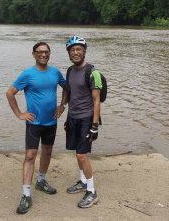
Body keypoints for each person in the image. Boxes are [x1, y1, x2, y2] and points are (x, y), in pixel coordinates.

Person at [6, 42, 66, 214]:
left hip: (51, 122)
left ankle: (41, 181)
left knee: (47, 151)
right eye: (40, 52)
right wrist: (19, 114)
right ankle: (26, 195)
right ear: (33, 54)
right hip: (33, 123)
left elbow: (66, 87)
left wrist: (62, 105)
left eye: (46, 52)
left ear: (50, 54)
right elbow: (10, 93)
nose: (44, 54)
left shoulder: (55, 72)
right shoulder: (27, 75)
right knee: (30, 156)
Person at [62, 35, 101, 208]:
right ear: (69, 53)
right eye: (72, 50)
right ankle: (83, 181)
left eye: (78, 49)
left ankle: (92, 192)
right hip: (73, 118)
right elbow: (69, 93)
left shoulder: (93, 72)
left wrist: (94, 126)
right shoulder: (70, 71)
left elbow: (96, 101)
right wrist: (64, 110)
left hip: (86, 119)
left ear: (84, 52)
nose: (75, 53)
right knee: (77, 152)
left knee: (81, 154)